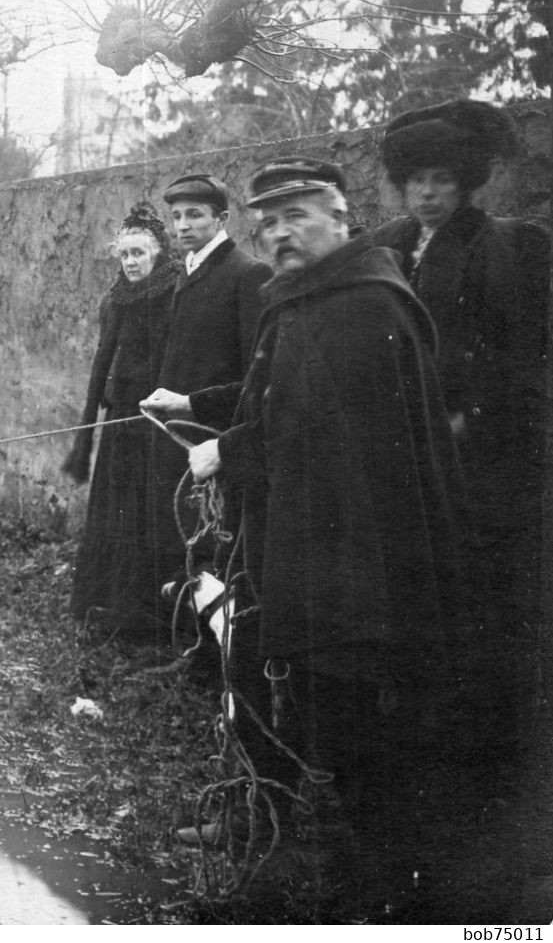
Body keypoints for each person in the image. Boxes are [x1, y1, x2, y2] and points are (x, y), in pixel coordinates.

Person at [141, 159, 468, 905]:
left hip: (356, 557)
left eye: (297, 218)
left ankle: (390, 892)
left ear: (340, 217)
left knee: (349, 720)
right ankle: (259, 816)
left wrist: (227, 449)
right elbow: (275, 395)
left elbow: (314, 426)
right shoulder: (310, 298)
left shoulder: (362, 305)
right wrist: (198, 404)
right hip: (299, 537)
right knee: (257, 667)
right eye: (270, 223)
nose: (281, 234)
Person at [366, 100, 550, 777]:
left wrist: (468, 416)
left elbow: (517, 358)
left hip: (475, 459)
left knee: (476, 597)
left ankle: (481, 752)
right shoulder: (386, 243)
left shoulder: (503, 245)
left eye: (440, 178)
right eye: (414, 179)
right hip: (399, 453)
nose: (426, 192)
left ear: (465, 180)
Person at [63, 204, 182, 641]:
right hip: (119, 422)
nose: (131, 263)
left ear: (157, 254)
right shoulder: (114, 300)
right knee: (112, 513)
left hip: (155, 424)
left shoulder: (172, 294)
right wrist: (90, 427)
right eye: (124, 255)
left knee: (143, 515)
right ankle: (105, 604)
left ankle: (141, 619)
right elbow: (102, 363)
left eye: (138, 254)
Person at [149, 173, 273, 590]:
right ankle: (190, 640)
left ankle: (213, 651)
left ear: (221, 219)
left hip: (217, 436)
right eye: (177, 216)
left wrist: (198, 406)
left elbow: (254, 375)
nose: (182, 225)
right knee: (187, 539)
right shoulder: (185, 272)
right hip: (181, 431)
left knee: (216, 544)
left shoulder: (246, 274)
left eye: (195, 215)